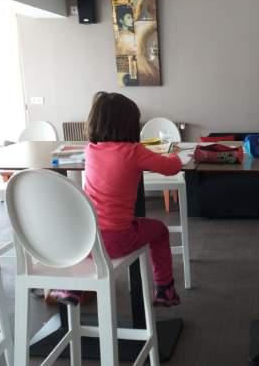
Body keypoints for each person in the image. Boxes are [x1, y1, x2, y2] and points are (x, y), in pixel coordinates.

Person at [50, 91, 182, 306]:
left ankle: (72, 287)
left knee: (113, 222)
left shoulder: (91, 150)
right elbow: (171, 167)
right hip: (115, 241)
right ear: (130, 125)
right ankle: (165, 289)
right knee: (159, 231)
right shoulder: (134, 151)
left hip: (83, 242)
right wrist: (174, 154)